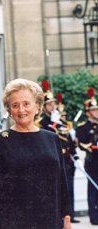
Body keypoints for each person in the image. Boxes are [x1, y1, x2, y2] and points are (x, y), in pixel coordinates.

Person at [0, 78, 71, 229]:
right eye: (15, 105)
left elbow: (61, 181)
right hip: (13, 221)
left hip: (50, 219)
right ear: (9, 111)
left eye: (26, 104)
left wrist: (67, 217)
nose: (21, 110)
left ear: (37, 106)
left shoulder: (52, 138)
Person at [36, 83, 80, 224]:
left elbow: (68, 141)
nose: (52, 106)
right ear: (44, 107)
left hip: (66, 159)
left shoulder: (62, 122)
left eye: (53, 103)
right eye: (49, 104)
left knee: (68, 189)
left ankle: (70, 215)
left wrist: (76, 155)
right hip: (51, 160)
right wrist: (54, 125)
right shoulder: (40, 124)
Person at [76, 87, 98, 225]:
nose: (97, 112)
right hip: (93, 161)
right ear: (88, 112)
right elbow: (81, 144)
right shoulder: (83, 126)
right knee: (93, 191)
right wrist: (93, 146)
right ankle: (94, 217)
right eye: (94, 110)